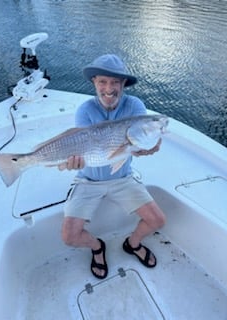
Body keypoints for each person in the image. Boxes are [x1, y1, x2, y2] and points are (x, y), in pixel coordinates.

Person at [59, 54, 166, 279]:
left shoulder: (135, 105)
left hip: (123, 177)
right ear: (94, 83)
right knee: (69, 236)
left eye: (115, 82)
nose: (109, 88)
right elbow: (82, 147)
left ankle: (133, 243)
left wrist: (149, 147)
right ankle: (98, 246)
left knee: (158, 220)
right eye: (103, 82)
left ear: (123, 84)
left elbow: (142, 141)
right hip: (88, 179)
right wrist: (71, 161)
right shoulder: (84, 110)